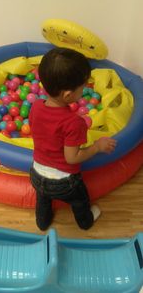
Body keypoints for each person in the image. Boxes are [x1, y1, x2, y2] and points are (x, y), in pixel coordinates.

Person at [29, 47, 117, 231]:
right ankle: (85, 222)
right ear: (68, 95)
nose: (84, 90)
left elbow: (45, 132)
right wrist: (97, 146)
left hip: (37, 175)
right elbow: (72, 158)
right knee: (80, 199)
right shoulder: (73, 123)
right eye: (82, 87)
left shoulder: (36, 106)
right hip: (64, 183)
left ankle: (42, 222)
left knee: (43, 199)